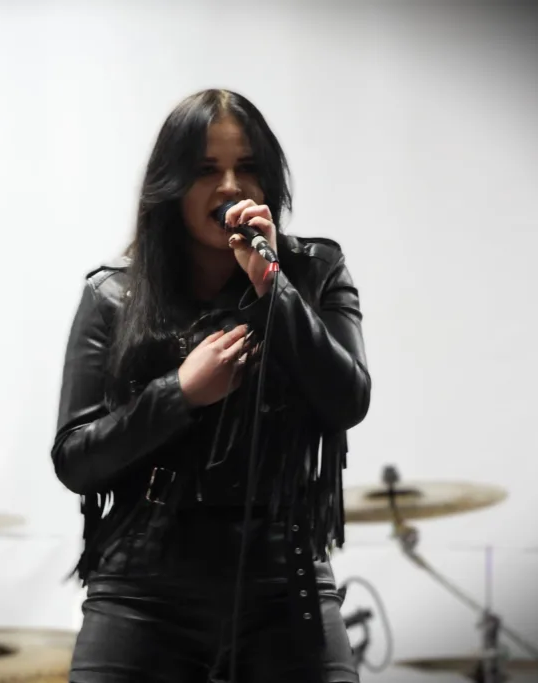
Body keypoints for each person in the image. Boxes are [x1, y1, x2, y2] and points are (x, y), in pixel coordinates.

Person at [50, 88, 371, 683]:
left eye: (246, 167)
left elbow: (347, 399)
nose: (229, 186)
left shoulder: (314, 272)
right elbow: (75, 458)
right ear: (170, 185)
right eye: (205, 170)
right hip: (144, 587)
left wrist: (274, 288)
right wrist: (179, 393)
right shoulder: (113, 294)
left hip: (285, 581)